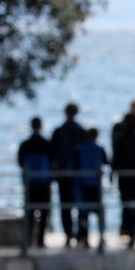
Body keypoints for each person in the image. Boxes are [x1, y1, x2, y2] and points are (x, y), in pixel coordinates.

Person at [111, 102, 135, 248]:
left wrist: (113, 172)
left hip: (125, 177)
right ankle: (133, 231)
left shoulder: (121, 140)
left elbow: (116, 159)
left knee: (127, 204)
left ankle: (131, 231)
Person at [50, 102, 85, 246]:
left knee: (65, 206)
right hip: (78, 175)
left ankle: (68, 234)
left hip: (63, 175)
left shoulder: (58, 131)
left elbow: (52, 154)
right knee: (81, 205)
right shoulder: (81, 131)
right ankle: (81, 234)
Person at [16, 117, 55, 248]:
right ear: (41, 126)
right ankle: (40, 240)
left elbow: (20, 162)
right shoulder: (47, 144)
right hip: (44, 183)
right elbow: (53, 162)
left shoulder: (25, 144)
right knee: (44, 212)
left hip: (30, 183)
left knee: (29, 212)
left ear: (31, 126)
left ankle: (28, 239)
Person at [73, 127, 108, 248]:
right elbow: (106, 162)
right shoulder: (100, 149)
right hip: (95, 186)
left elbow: (76, 166)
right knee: (100, 212)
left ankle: (84, 238)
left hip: (83, 185)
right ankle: (101, 237)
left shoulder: (80, 149)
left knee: (83, 213)